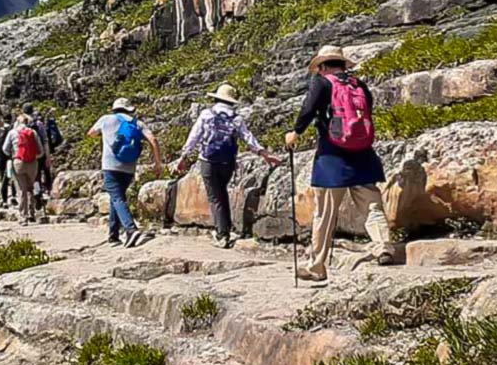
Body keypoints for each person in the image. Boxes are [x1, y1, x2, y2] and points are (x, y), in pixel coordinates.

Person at [284, 46, 393, 281]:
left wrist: (295, 132)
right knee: (372, 206)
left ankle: (317, 266)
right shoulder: (358, 85)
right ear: (343, 64)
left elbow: (309, 108)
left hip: (332, 156)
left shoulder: (322, 83)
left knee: (324, 213)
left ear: (323, 66)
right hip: (363, 154)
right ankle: (383, 246)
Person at [176, 84, 282, 249]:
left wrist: (183, 157)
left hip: (208, 161)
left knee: (215, 197)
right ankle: (225, 227)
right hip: (228, 163)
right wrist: (264, 154)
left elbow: (194, 137)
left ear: (216, 98)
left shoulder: (206, 114)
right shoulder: (236, 119)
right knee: (222, 193)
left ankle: (222, 234)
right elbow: (248, 138)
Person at [89, 97, 163, 248]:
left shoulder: (106, 119)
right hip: (129, 167)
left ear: (115, 108)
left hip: (110, 165)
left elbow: (91, 133)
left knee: (116, 198)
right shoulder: (137, 123)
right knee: (117, 198)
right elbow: (153, 140)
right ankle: (113, 236)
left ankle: (131, 229)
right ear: (129, 109)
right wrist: (157, 163)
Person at [3, 109, 48, 224]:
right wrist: (35, 157)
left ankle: (23, 217)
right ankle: (32, 214)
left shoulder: (12, 133)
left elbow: (5, 149)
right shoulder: (33, 132)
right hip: (32, 163)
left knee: (21, 190)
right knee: (30, 188)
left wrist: (13, 155)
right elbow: (41, 150)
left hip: (18, 163)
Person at [0, 111, 16, 208]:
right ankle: (13, 195)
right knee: (13, 176)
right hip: (11, 156)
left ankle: (4, 200)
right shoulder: (13, 130)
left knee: (3, 178)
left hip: (1, 157)